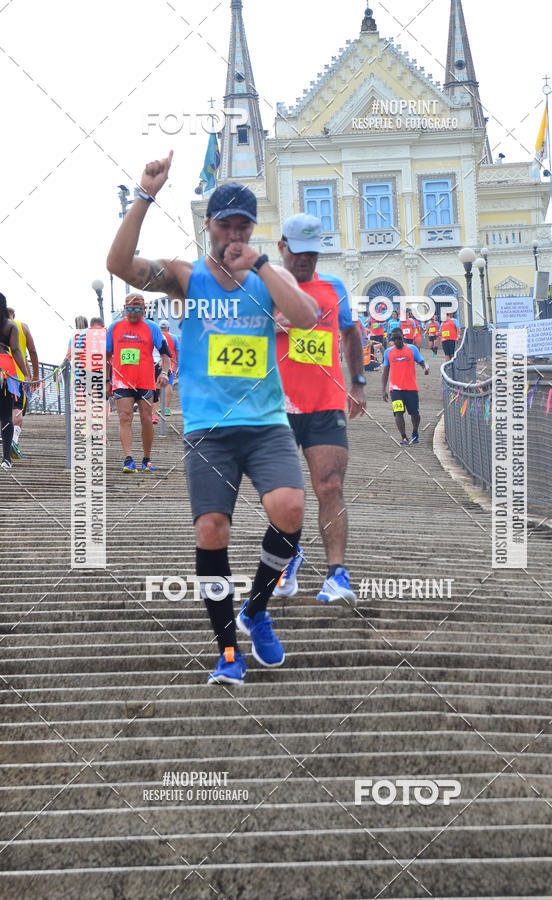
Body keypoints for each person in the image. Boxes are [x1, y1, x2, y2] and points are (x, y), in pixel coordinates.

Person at [106, 156, 318, 686]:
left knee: (290, 508)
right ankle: (228, 651)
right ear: (208, 226)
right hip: (208, 428)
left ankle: (257, 609)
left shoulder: (265, 278)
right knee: (210, 530)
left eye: (242, 226)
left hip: (266, 420)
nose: (232, 235)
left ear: (252, 229)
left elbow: (310, 318)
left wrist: (263, 264)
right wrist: (144, 195)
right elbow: (119, 265)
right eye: (224, 225)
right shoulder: (185, 277)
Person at [272, 214, 366, 604]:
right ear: (282, 248)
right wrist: (266, 325)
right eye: (298, 253)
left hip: (325, 404)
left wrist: (359, 382)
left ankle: (336, 575)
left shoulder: (333, 287)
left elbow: (350, 333)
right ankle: (289, 557)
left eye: (312, 254)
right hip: (275, 406)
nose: (305, 261)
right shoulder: (264, 287)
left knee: (331, 486)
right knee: (282, 495)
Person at [106, 294, 170, 473]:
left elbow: (165, 354)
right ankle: (128, 459)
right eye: (129, 309)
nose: (133, 313)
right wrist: (106, 381)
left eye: (137, 309)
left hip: (144, 380)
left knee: (146, 418)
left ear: (144, 310)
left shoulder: (152, 327)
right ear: (124, 309)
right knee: (124, 416)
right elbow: (107, 355)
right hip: (121, 380)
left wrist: (164, 372)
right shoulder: (115, 327)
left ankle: (147, 459)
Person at [382, 328, 429, 445]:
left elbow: (423, 362)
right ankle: (403, 437)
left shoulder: (412, 349)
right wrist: (383, 389)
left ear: (403, 337)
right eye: (394, 339)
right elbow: (385, 372)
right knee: (398, 413)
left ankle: (415, 432)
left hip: (411, 388)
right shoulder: (388, 352)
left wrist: (426, 368)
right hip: (395, 389)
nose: (396, 341)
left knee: (415, 414)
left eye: (398, 338)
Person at [6, 307, 39, 460]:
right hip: (17, 377)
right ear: (13, 315)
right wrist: (34, 376)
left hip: (2, 374)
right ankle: (13, 441)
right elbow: (31, 351)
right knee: (16, 409)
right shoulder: (21, 327)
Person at [0, 296, 28, 469]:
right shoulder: (10, 325)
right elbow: (16, 350)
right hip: (5, 367)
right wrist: (25, 375)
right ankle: (6, 460)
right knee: (5, 415)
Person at [152, 320, 179, 421]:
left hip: (156, 362)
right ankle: (166, 408)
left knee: (155, 386)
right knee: (168, 385)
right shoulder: (174, 337)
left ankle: (156, 408)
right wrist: (178, 365)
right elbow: (176, 353)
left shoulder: (156, 335)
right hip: (168, 364)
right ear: (168, 328)